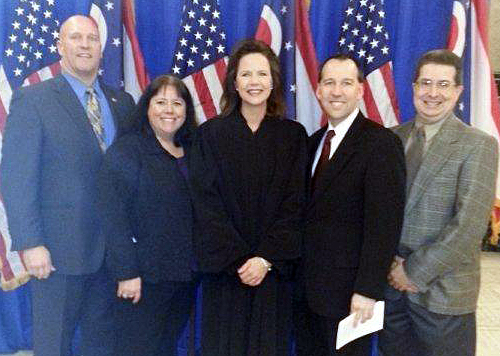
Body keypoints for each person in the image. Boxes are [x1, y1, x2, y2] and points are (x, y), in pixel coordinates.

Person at [0, 15, 135, 356]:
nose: (85, 45)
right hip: (57, 254)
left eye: (92, 39)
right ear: (60, 46)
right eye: (76, 38)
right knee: (54, 346)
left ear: (101, 48)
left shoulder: (123, 103)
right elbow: (17, 177)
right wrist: (30, 243)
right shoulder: (34, 100)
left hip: (110, 254)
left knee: (102, 346)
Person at [189, 39, 308, 356]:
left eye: (262, 74)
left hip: (272, 274)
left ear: (273, 81)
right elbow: (206, 205)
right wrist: (241, 260)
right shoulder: (210, 135)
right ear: (234, 82)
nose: (254, 82)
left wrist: (265, 259)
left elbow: (295, 205)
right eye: (246, 75)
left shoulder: (293, 136)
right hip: (226, 273)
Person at [378, 49, 498, 356]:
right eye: (426, 83)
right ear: (414, 87)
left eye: (443, 85)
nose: (433, 93)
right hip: (392, 293)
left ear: (458, 91)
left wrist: (413, 272)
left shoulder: (479, 145)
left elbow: (468, 227)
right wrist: (391, 267)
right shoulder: (392, 138)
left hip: (444, 296)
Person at [294, 54, 406, 356]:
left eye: (346, 83)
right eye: (329, 83)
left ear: (361, 90)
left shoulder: (381, 144)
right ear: (318, 90)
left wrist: (368, 290)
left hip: (350, 295)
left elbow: (385, 225)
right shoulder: (313, 142)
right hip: (306, 291)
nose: (336, 91)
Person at [98, 74, 198, 356]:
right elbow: (113, 217)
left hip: (183, 277)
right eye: (161, 102)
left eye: (177, 103)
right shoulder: (128, 151)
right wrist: (126, 273)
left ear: (186, 110)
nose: (169, 110)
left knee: (166, 348)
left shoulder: (192, 151)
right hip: (142, 280)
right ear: (146, 107)